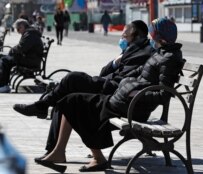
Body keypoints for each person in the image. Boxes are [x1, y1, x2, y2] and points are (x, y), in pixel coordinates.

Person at [32, 17, 183, 172]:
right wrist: (126, 82)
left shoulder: (169, 58)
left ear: (159, 36)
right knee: (70, 100)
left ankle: (98, 158)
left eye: (152, 34)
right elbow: (140, 74)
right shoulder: (161, 54)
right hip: (124, 100)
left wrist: (134, 93)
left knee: (75, 104)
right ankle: (59, 152)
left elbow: (164, 94)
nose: (150, 37)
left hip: (134, 107)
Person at [13, 20, 152, 119]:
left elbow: (124, 80)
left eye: (125, 36)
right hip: (108, 85)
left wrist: (103, 79)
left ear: (136, 36)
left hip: (113, 92)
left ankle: (42, 106)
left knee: (73, 78)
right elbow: (103, 72)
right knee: (65, 98)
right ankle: (52, 147)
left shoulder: (142, 54)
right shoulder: (130, 51)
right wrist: (116, 62)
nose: (122, 39)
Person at [0, 18, 43, 93]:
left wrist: (11, 51)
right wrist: (13, 51)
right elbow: (21, 47)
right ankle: (4, 85)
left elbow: (22, 48)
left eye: (18, 29)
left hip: (31, 61)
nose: (18, 31)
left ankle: (4, 85)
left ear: (22, 26)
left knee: (5, 60)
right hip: (30, 58)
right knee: (5, 59)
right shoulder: (29, 33)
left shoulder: (30, 34)